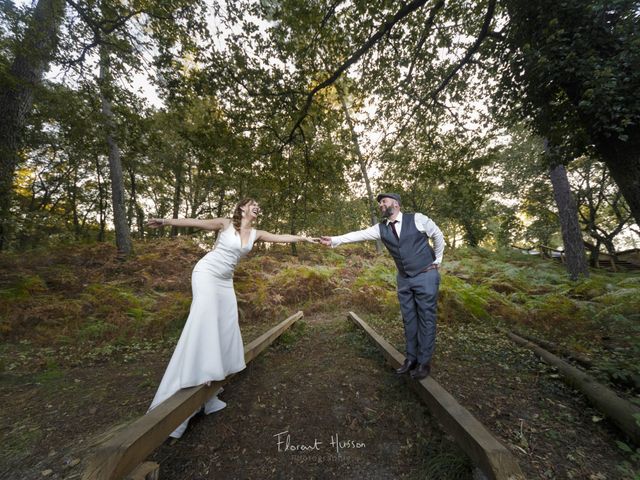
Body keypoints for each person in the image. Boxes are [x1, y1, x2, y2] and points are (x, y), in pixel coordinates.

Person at [147, 198, 318, 438]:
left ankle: (211, 394)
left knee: (225, 324)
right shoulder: (224, 224)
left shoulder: (258, 233)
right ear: (242, 208)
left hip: (225, 282)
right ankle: (196, 375)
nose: (258, 206)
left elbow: (281, 237)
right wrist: (165, 221)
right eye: (253, 203)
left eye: (260, 204)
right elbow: (195, 222)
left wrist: (303, 238)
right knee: (204, 318)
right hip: (206, 273)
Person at [320, 193, 444, 380]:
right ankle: (411, 359)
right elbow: (358, 235)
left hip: (426, 275)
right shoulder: (381, 228)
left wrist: (438, 259)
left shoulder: (417, 219)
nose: (381, 205)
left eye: (383, 202)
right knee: (409, 319)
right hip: (404, 279)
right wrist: (334, 240)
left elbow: (437, 234)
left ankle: (424, 362)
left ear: (396, 203)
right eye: (379, 203)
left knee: (426, 319)